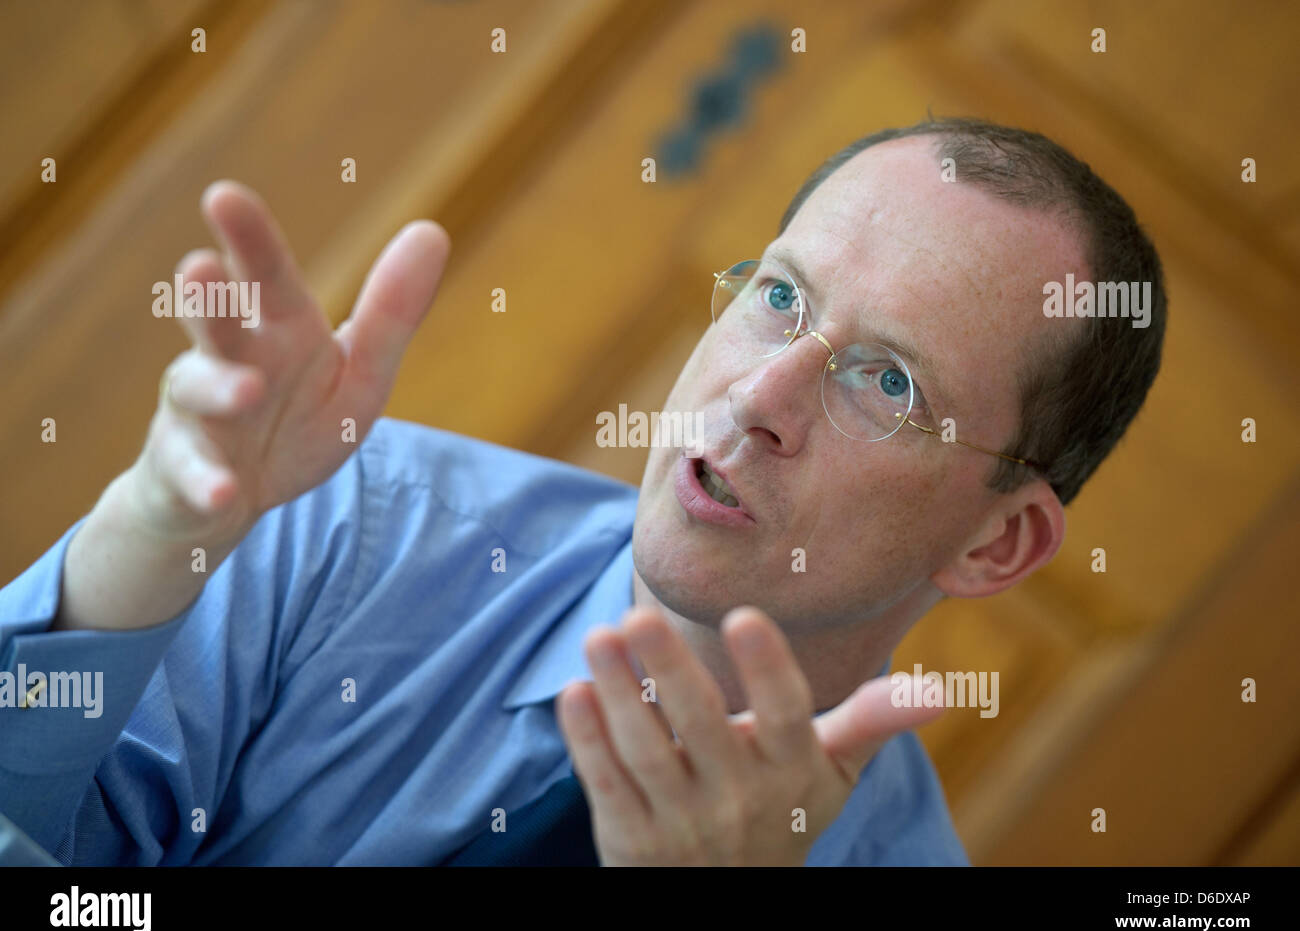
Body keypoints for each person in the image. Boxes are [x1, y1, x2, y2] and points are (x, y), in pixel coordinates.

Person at [0, 118, 1165, 866]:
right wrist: (146, 540)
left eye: (888, 379)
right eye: (777, 297)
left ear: (995, 544)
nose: (761, 393)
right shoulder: (355, 517)